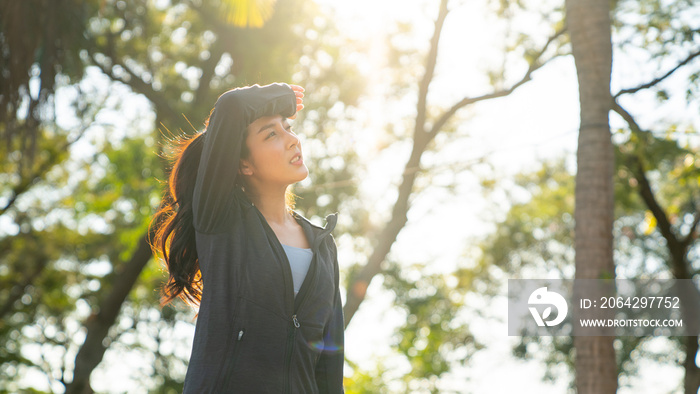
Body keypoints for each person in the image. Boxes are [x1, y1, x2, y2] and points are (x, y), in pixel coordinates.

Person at [150, 83, 344, 393]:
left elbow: (329, 365)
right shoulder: (221, 222)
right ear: (243, 164)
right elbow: (232, 105)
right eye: (271, 134)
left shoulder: (323, 246)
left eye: (288, 128)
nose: (292, 139)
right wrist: (280, 95)